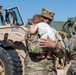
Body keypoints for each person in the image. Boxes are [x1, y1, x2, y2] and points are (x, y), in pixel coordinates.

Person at [25, 8, 58, 75]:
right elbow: (33, 49)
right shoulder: (31, 31)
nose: (47, 20)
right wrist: (49, 46)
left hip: (50, 71)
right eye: (45, 18)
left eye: (50, 20)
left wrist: (54, 47)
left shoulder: (53, 33)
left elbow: (62, 53)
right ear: (41, 18)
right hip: (35, 71)